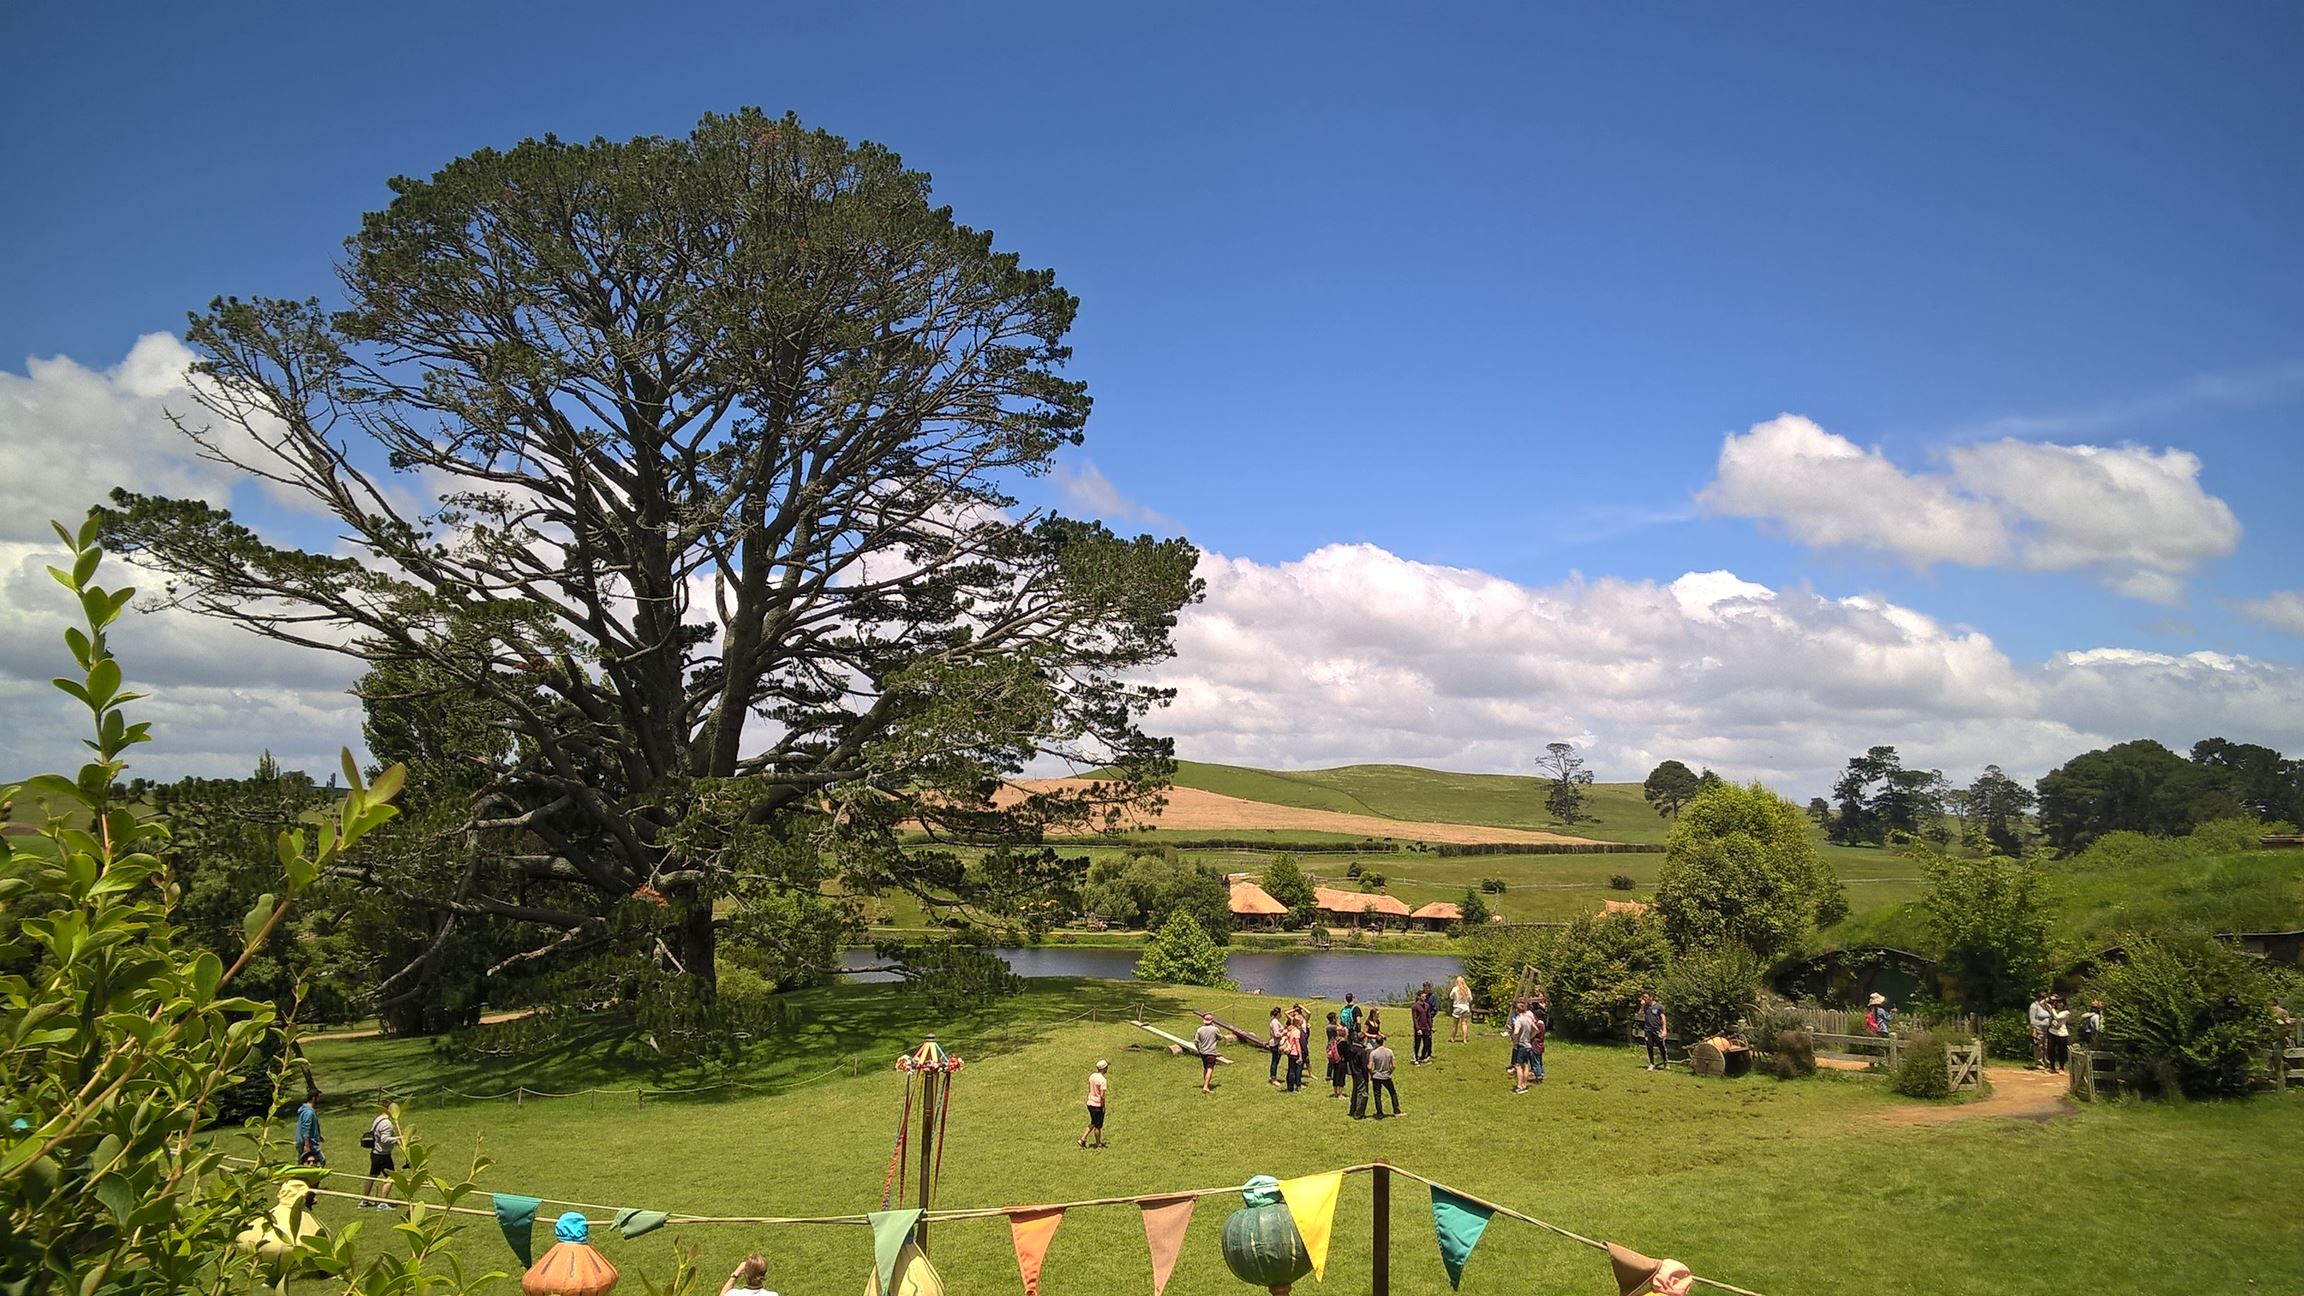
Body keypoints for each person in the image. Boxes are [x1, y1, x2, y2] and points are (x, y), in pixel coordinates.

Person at [359, 1100, 400, 1209]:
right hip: (383, 1155)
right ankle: (383, 1203)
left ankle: (364, 1200)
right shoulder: (387, 1123)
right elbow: (384, 1139)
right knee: (391, 1177)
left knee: (372, 1176)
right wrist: (398, 1139)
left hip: (375, 1153)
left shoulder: (378, 1119)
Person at [1368, 1033, 1401, 1118]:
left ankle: (1379, 1113)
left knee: (1377, 1095)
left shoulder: (1373, 1053)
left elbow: (1370, 1067)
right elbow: (1393, 1065)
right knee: (1392, 1093)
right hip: (1386, 1076)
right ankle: (1396, 1110)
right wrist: (1389, 1072)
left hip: (1376, 1076)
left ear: (1376, 1043)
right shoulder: (1389, 1052)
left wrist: (1372, 1073)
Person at [1508, 1000, 1536, 1095]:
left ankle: (1519, 1086)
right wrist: (1530, 1037)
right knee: (1526, 1065)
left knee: (1518, 1066)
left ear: (1517, 1010)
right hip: (1528, 1045)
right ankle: (1524, 1084)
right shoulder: (1529, 1019)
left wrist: (1515, 1040)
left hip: (1521, 1045)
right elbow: (1536, 1029)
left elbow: (1516, 1032)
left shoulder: (1519, 1020)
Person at [1079, 1060, 1109, 1148]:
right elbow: (1102, 1096)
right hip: (1097, 1104)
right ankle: (1098, 1143)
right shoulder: (1103, 1080)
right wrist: (1103, 1106)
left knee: (1093, 1121)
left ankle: (1083, 1139)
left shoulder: (1092, 1076)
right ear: (1103, 1069)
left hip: (1090, 1103)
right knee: (1098, 1126)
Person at [1342, 1030, 1371, 1119]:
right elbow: (1364, 1065)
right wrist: (1368, 1076)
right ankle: (1359, 1113)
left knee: (1355, 1092)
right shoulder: (1362, 1051)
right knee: (1362, 1093)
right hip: (1361, 1074)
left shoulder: (1351, 1048)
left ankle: (1352, 1109)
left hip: (1354, 1072)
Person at [1192, 1014, 1223, 1094]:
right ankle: (1205, 1087)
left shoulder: (1199, 1030)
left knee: (1205, 1068)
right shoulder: (1215, 1029)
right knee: (1210, 1068)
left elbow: (1195, 1041)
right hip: (1211, 1052)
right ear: (1212, 1021)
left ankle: (1205, 1084)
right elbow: (1220, 1038)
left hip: (1203, 1052)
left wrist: (1198, 1049)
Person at [1639, 991, 1669, 1071]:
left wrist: (1664, 1030)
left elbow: (1663, 1018)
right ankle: (1652, 1063)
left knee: (1661, 1046)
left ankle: (1665, 1062)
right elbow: (1640, 1015)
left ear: (1651, 997)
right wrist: (1642, 1007)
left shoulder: (1659, 1007)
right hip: (1648, 1030)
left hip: (1657, 1029)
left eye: (1646, 997)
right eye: (1643, 997)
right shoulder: (1645, 1007)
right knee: (1649, 1046)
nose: (1644, 999)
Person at [294, 1091, 324, 1167]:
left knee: (304, 1162)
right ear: (314, 1098)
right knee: (320, 1160)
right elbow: (306, 1128)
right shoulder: (308, 1112)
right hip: (309, 1143)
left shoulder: (307, 1110)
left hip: (306, 1141)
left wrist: (319, 1136)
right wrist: (306, 1145)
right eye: (318, 1098)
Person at [1410, 983, 1436, 1065]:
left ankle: (1423, 1057)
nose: (1424, 998)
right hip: (1419, 1028)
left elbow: (1428, 1017)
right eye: (1423, 996)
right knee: (1417, 1044)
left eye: (1425, 996)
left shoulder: (1427, 1006)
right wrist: (1418, 1029)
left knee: (1426, 1043)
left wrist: (1431, 1027)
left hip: (1426, 1028)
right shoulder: (1415, 1006)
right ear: (1419, 997)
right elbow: (1414, 1019)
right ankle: (1416, 1057)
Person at [2027, 991, 2053, 1069]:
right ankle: (2039, 1062)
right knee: (2039, 1046)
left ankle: (2047, 1062)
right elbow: (2032, 1019)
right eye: (2042, 997)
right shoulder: (2034, 1006)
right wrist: (2034, 1029)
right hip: (2038, 1028)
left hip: (2047, 1029)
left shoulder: (2047, 1006)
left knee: (2046, 1046)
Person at [1282, 1012, 1306, 1093]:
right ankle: (1293, 1087)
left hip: (1289, 1052)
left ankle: (1289, 1087)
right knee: (1294, 1071)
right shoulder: (1296, 1031)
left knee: (1290, 1070)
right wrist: (1300, 1056)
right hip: (1295, 1053)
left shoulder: (1290, 1029)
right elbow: (1297, 1044)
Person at [2047, 995, 2071, 1074]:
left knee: (2061, 1051)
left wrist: (2052, 1009)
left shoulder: (2066, 1012)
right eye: (2057, 1003)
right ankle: (2052, 1067)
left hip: (2062, 1033)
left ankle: (2061, 1067)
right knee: (2051, 1049)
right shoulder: (2053, 1010)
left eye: (2061, 1003)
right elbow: (2044, 1003)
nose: (2059, 1004)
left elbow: (2057, 1017)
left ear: (2064, 1004)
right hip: (2052, 1031)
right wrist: (2050, 998)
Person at [1325, 1012, 1347, 1098]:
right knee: (1335, 1064)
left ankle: (1329, 1075)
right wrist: (1337, 1022)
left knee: (1331, 1062)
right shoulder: (1332, 1027)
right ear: (1333, 1019)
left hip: (1330, 1045)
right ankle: (1330, 1076)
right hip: (1334, 1046)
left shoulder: (1328, 1026)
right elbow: (1342, 1029)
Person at [1450, 976, 1474, 1043]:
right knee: (1464, 1024)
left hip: (1457, 1007)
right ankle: (1464, 1039)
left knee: (1455, 1024)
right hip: (1465, 1008)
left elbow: (1450, 996)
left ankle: (1452, 1038)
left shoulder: (1455, 989)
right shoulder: (1467, 989)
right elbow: (1471, 999)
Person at [1268, 1006, 1286, 1087]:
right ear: (1278, 1013)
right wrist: (1283, 1033)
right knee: (1274, 1062)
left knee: (1276, 1061)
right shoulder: (1275, 1022)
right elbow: (1276, 1034)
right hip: (1275, 1044)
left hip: (1276, 1043)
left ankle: (1274, 1077)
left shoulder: (1275, 1021)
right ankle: (1273, 1078)